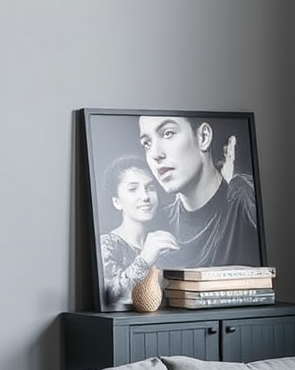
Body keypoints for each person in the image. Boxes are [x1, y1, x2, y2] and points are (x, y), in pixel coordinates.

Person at [137, 114, 261, 270]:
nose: (155, 154)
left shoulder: (245, 199)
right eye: (146, 144)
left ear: (203, 137)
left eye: (168, 133)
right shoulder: (157, 223)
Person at [99, 157, 179, 310]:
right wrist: (144, 260)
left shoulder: (165, 243)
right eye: (133, 189)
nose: (145, 196)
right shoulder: (107, 244)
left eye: (150, 187)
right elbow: (111, 295)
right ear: (117, 202)